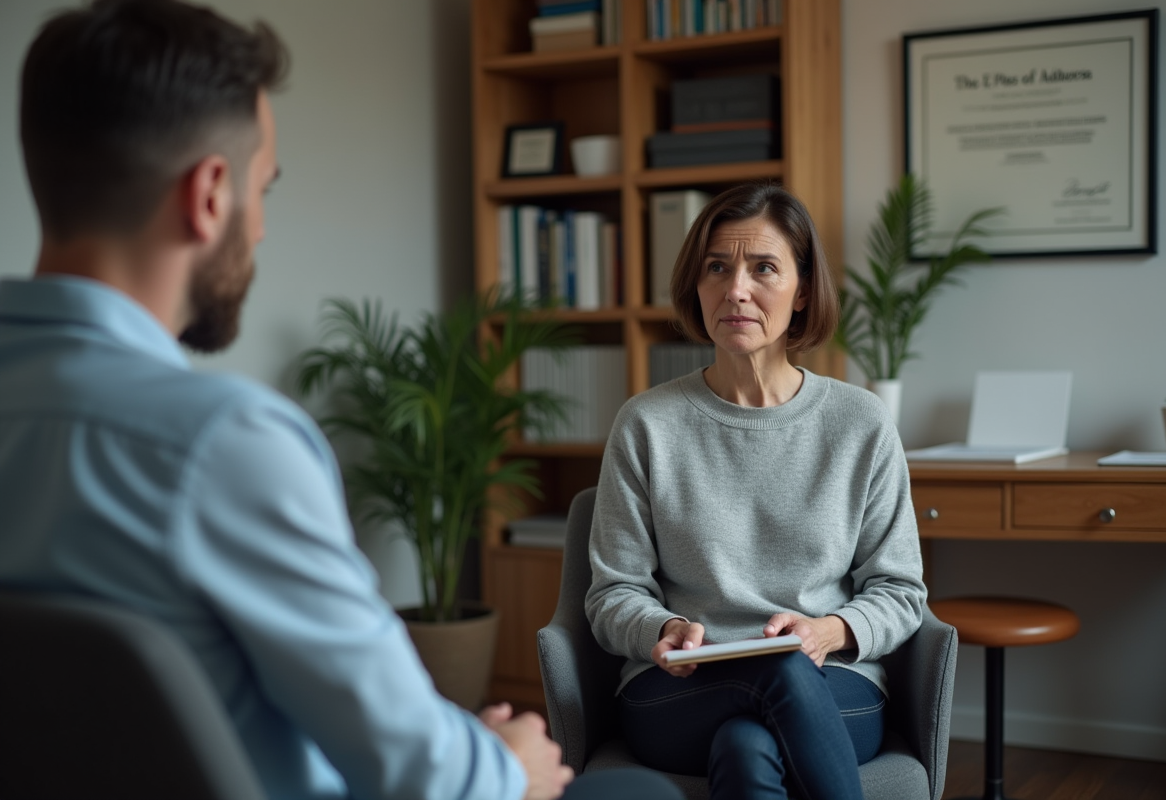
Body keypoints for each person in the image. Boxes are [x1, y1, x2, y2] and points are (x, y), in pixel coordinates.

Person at [0, 2, 680, 800]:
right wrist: (509, 763)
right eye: (264, 189)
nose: (258, 230)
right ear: (210, 195)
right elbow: (415, 772)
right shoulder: (221, 446)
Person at [585, 181, 929, 800]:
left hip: (833, 684)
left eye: (764, 268)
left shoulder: (860, 422)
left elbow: (900, 591)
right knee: (776, 673)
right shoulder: (647, 423)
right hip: (678, 690)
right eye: (717, 267)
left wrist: (827, 632)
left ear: (801, 293)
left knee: (748, 746)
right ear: (697, 283)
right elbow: (613, 592)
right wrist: (659, 628)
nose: (735, 289)